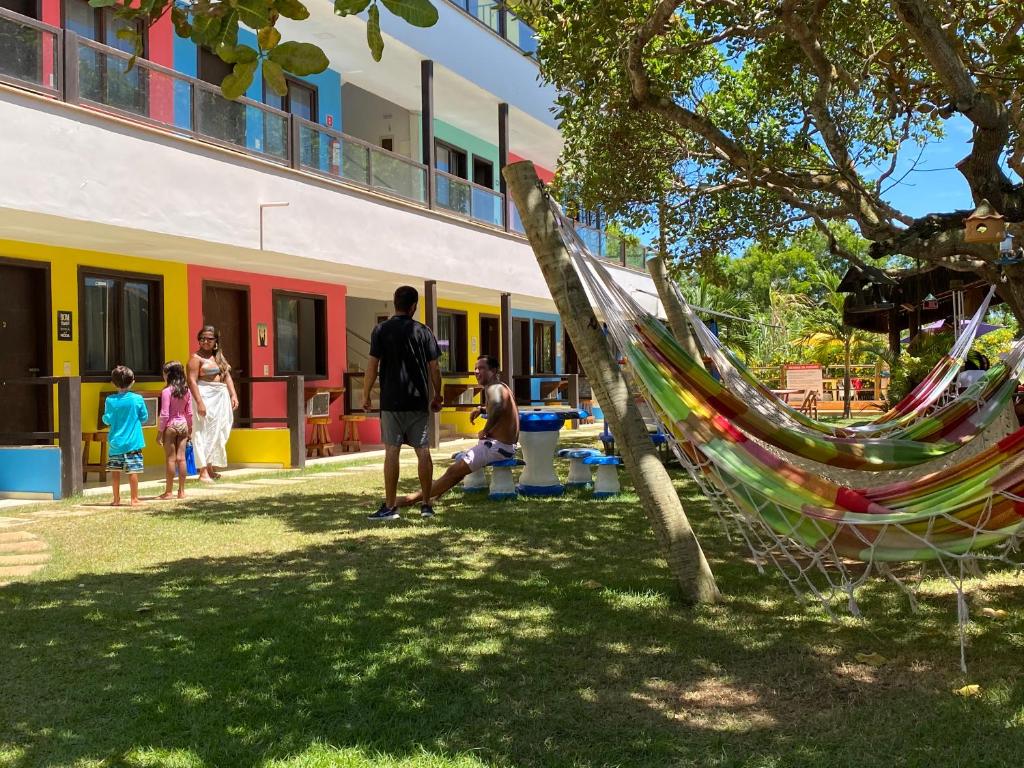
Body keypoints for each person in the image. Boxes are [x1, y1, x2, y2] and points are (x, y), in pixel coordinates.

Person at [363, 285, 443, 520]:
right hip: (418, 401)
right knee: (423, 451)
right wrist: (438, 394)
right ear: (413, 306)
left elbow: (372, 366)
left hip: (390, 402)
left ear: (395, 303)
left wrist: (366, 394)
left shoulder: (380, 330)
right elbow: (435, 367)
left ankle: (390, 506)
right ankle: (426, 505)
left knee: (391, 452)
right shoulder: (423, 331)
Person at [399, 354, 520, 508]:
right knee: (456, 472)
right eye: (475, 368)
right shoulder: (501, 386)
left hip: (496, 448)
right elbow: (499, 407)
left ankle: (411, 499)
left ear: (494, 370)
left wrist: (485, 429)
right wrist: (481, 408)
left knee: (452, 472)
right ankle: (433, 495)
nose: (477, 372)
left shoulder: (494, 387)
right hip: (504, 447)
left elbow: (498, 407)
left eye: (481, 368)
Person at [187, 325, 238, 482]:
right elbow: (192, 381)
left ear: (215, 341)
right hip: (204, 395)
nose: (205, 341)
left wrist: (233, 394)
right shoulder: (196, 359)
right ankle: (202, 471)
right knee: (202, 432)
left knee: (218, 432)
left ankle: (210, 467)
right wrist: (200, 402)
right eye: (202, 338)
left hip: (220, 397)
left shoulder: (219, 357)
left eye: (209, 338)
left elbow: (227, 376)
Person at [102, 365, 149, 506]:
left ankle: (116, 499)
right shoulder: (137, 399)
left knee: (115, 471)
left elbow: (107, 419)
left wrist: (106, 418)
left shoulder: (110, 400)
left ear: (113, 383)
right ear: (132, 381)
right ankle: (134, 499)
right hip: (133, 443)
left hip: (115, 443)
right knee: (133, 471)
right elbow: (144, 417)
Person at [157, 360, 193, 500]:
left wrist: (160, 433)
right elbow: (189, 413)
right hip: (183, 425)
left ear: (169, 375)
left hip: (171, 426)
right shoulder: (186, 390)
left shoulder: (166, 391)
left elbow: (165, 414)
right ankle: (182, 491)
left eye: (164, 373)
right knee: (181, 459)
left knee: (170, 459)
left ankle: (168, 492)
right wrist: (189, 430)